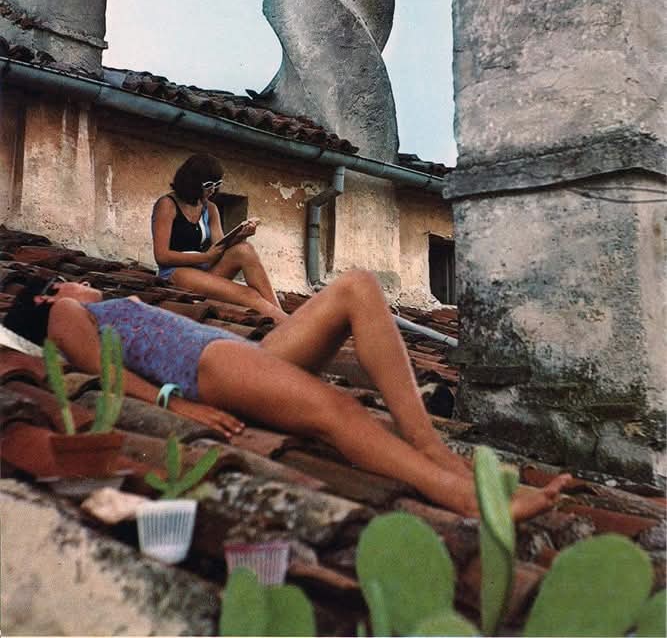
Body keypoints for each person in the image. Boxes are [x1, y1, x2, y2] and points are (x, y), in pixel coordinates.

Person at [4, 271, 571, 520]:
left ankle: (427, 441)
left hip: (234, 353)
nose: (80, 287)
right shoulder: (69, 312)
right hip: (207, 366)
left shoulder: (88, 308)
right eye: (69, 287)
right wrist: (176, 403)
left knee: (358, 287)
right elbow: (101, 369)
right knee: (336, 411)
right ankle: (461, 494)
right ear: (51, 294)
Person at [151, 153, 286, 323]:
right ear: (192, 182)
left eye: (217, 184)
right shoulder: (167, 205)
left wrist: (240, 236)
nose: (213, 190)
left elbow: (220, 246)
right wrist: (205, 257)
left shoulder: (210, 208)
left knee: (244, 250)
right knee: (249, 295)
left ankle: (281, 317)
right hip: (176, 273)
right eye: (208, 185)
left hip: (206, 271)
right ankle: (292, 327)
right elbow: (161, 255)